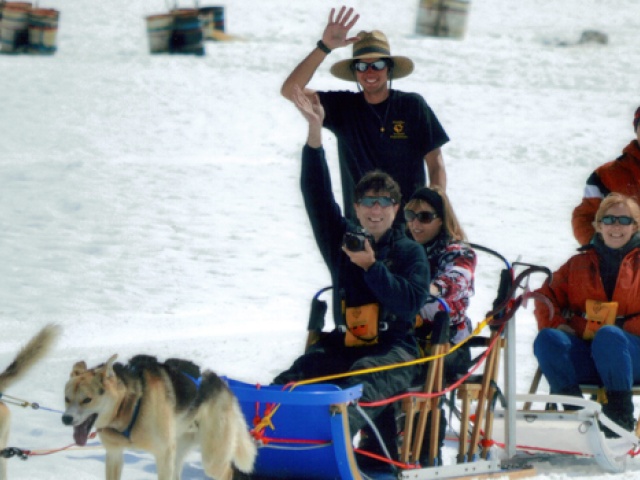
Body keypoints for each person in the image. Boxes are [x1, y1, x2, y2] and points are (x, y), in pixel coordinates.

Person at [272, 86, 430, 468]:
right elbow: (316, 194)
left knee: (359, 380)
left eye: (383, 203)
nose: (375, 211)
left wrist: (371, 268)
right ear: (356, 207)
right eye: (367, 202)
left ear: (396, 208)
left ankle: (325, 454)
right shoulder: (341, 240)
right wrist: (315, 134)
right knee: (300, 374)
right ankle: (270, 444)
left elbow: (409, 304)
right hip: (348, 341)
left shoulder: (411, 251)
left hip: (395, 351)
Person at [281, 6, 449, 221]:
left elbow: (436, 164)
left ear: (389, 68)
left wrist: (434, 211)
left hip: (411, 228)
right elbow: (290, 90)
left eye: (377, 65)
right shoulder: (343, 107)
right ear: (354, 72)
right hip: (361, 229)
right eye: (362, 66)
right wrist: (324, 47)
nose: (370, 72)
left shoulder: (412, 106)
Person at [534, 192, 640, 436]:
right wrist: (557, 323)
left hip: (633, 356)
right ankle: (574, 414)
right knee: (548, 339)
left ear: (635, 226)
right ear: (598, 225)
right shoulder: (577, 264)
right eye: (609, 219)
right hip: (589, 353)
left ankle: (619, 414)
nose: (616, 226)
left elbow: (612, 336)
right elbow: (544, 298)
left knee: (610, 337)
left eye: (624, 221)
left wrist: (618, 330)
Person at [405, 186, 476, 383]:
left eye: (425, 217)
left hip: (449, 345)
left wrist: (431, 289)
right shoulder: (404, 249)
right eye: (410, 215)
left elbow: (458, 277)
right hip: (409, 338)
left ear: (441, 220)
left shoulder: (459, 252)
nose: (415, 223)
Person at [572, 106, 640, 245]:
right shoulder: (605, 176)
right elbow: (585, 217)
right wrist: (597, 248)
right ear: (636, 130)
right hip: (622, 262)